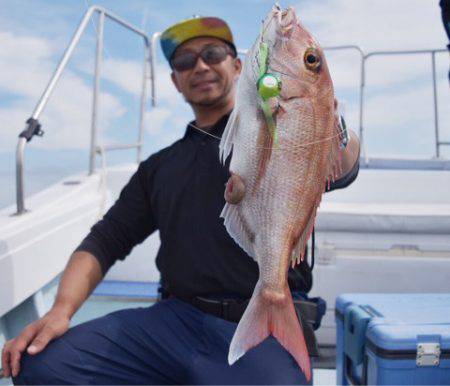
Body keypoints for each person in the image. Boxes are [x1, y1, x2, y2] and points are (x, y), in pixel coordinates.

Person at [2, 16, 360, 385]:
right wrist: (61, 311)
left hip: (258, 324)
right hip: (172, 322)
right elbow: (104, 240)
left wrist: (325, 117)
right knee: (40, 366)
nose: (200, 66)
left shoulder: (278, 127)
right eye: (185, 62)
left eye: (212, 53)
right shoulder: (159, 167)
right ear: (175, 81)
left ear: (239, 66)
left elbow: (345, 167)